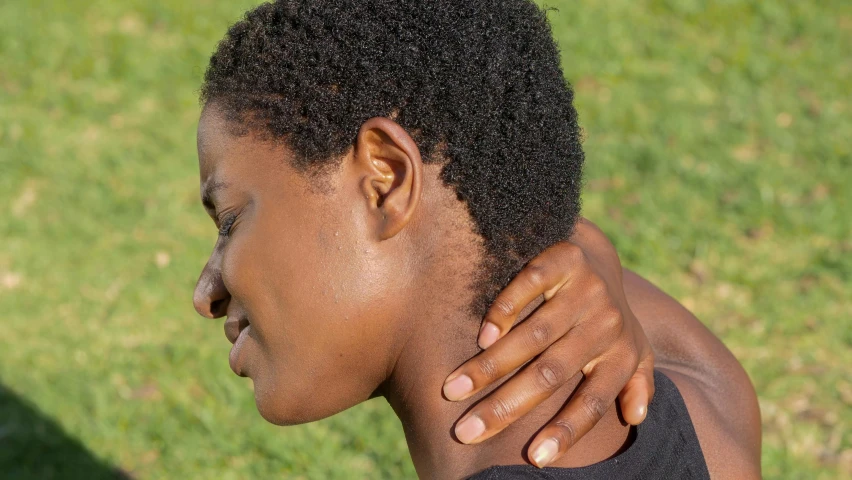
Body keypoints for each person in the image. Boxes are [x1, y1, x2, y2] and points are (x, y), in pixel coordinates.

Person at [191, 0, 761, 478]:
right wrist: (576, 246)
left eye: (230, 221)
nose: (206, 293)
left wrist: (586, 248)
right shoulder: (713, 408)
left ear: (385, 179)